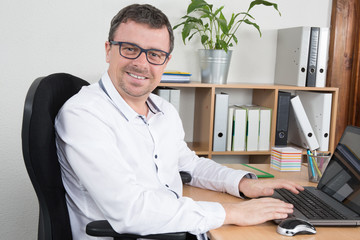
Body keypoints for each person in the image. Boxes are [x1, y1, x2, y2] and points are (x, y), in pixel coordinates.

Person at [55, 3, 303, 240]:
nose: (142, 63)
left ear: (166, 62)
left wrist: (242, 183)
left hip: (173, 228)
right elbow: (131, 211)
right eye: (130, 49)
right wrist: (232, 213)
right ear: (109, 50)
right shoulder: (84, 115)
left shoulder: (163, 110)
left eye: (155, 54)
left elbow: (190, 166)